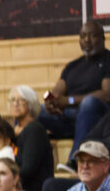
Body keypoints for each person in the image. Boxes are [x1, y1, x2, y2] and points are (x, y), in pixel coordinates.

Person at [38, 22, 110, 168]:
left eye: (92, 36)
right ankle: (20, 161)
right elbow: (56, 91)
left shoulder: (108, 60)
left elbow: (107, 93)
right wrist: (50, 101)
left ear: (103, 38)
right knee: (32, 109)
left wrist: (70, 100)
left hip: (96, 119)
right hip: (67, 117)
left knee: (88, 103)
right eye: (83, 36)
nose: (87, 40)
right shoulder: (72, 66)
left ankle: (76, 160)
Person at [7, 85, 54, 191]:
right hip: (16, 187)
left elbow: (28, 169)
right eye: (12, 100)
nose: (16, 103)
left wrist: (6, 180)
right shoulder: (11, 131)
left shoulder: (34, 130)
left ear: (31, 104)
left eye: (21, 100)